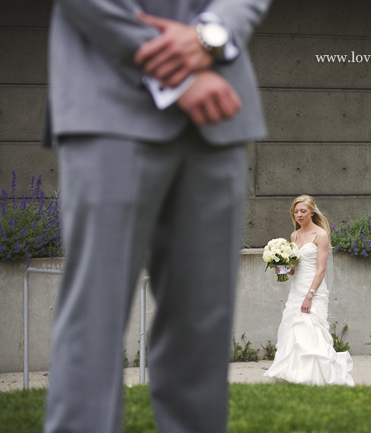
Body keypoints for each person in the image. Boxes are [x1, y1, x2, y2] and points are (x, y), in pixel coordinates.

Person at [44, 1, 271, 432]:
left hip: (218, 113)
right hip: (108, 101)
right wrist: (178, 68)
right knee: (95, 314)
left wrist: (212, 34)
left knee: (203, 323)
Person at [263, 195, 354, 386]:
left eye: (303, 211)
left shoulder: (320, 235)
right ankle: (293, 378)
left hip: (314, 290)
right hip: (296, 291)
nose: (299, 215)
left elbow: (321, 269)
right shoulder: (294, 236)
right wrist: (281, 266)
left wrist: (310, 295)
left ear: (312, 212)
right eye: (296, 211)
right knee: (293, 332)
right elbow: (294, 269)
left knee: (311, 333)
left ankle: (317, 379)